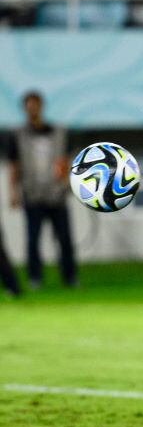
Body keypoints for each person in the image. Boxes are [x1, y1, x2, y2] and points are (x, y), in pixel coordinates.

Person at [9, 91, 77, 289]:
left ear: (41, 106)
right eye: (29, 106)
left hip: (57, 194)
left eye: (35, 105)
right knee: (33, 240)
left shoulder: (59, 132)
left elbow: (69, 160)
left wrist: (68, 181)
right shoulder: (18, 135)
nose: (33, 109)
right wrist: (12, 192)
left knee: (64, 239)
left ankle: (70, 278)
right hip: (32, 195)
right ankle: (35, 278)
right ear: (24, 109)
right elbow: (14, 166)